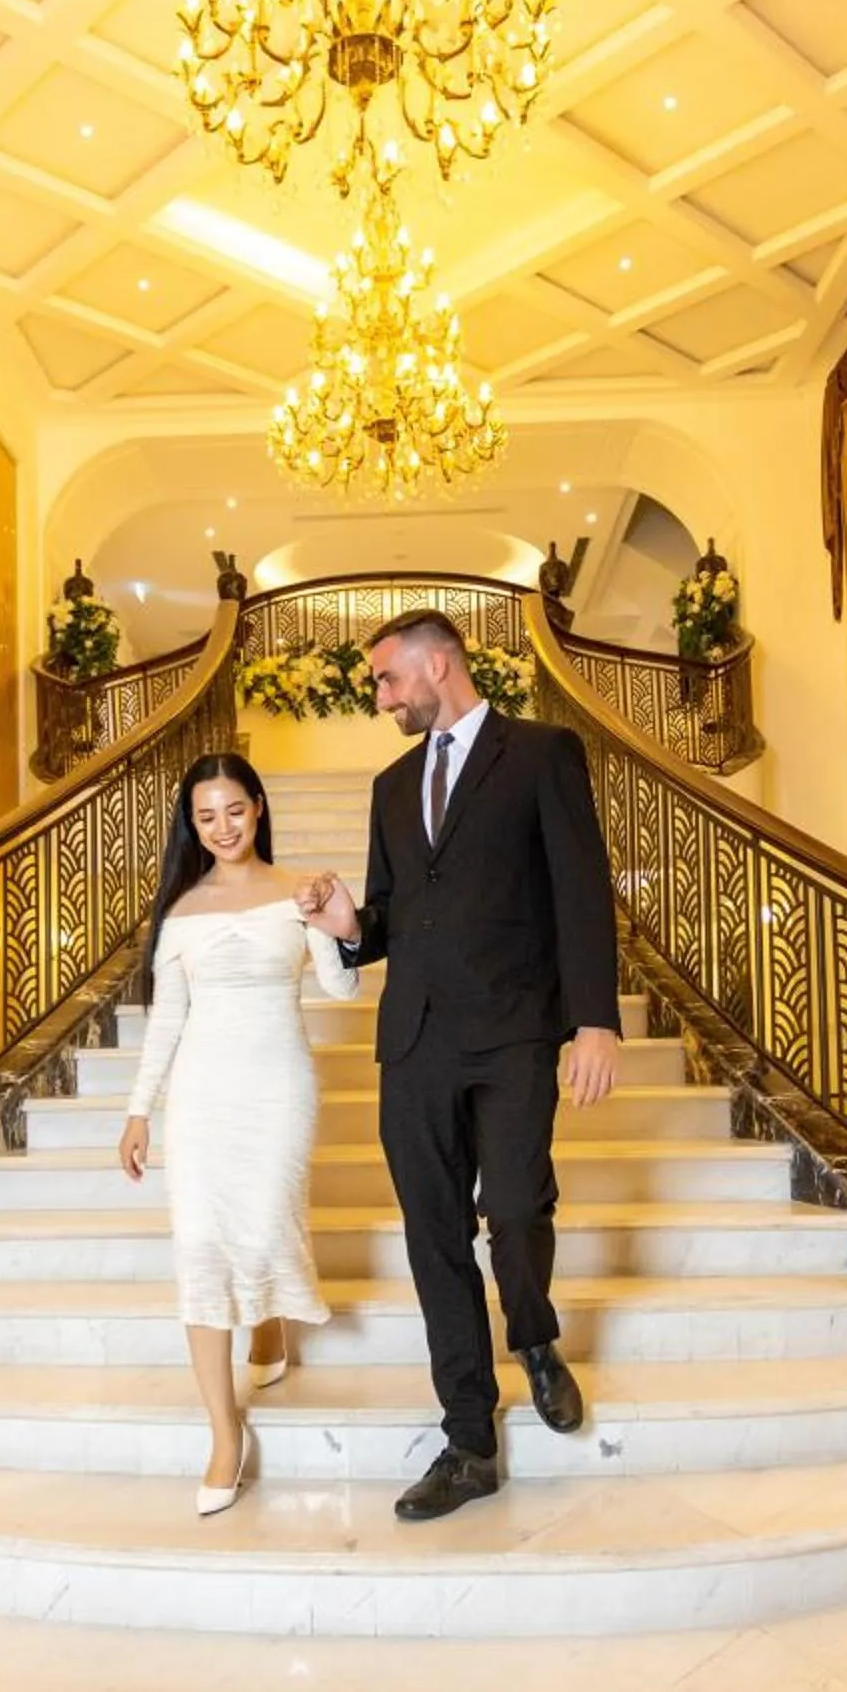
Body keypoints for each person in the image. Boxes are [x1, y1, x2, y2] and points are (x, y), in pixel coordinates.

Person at [298, 610, 621, 1522]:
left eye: (388, 680)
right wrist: (347, 926)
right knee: (433, 1238)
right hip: (415, 1042)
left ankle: (536, 1335)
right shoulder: (391, 787)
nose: (381, 697)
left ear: (439, 664)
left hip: (517, 1029)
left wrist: (594, 1021)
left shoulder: (541, 754)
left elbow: (580, 889)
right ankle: (469, 1437)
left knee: (516, 1210)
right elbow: (392, 915)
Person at [118, 753, 358, 1516]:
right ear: (193, 825)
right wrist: (138, 1110)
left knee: (260, 1234)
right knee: (198, 1246)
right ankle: (224, 1434)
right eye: (205, 816)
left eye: (234, 810)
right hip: (200, 1093)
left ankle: (270, 1327)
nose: (221, 827)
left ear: (258, 807)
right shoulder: (181, 910)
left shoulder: (298, 890)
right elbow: (168, 1021)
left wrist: (332, 914)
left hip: (279, 1085)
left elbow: (343, 987)